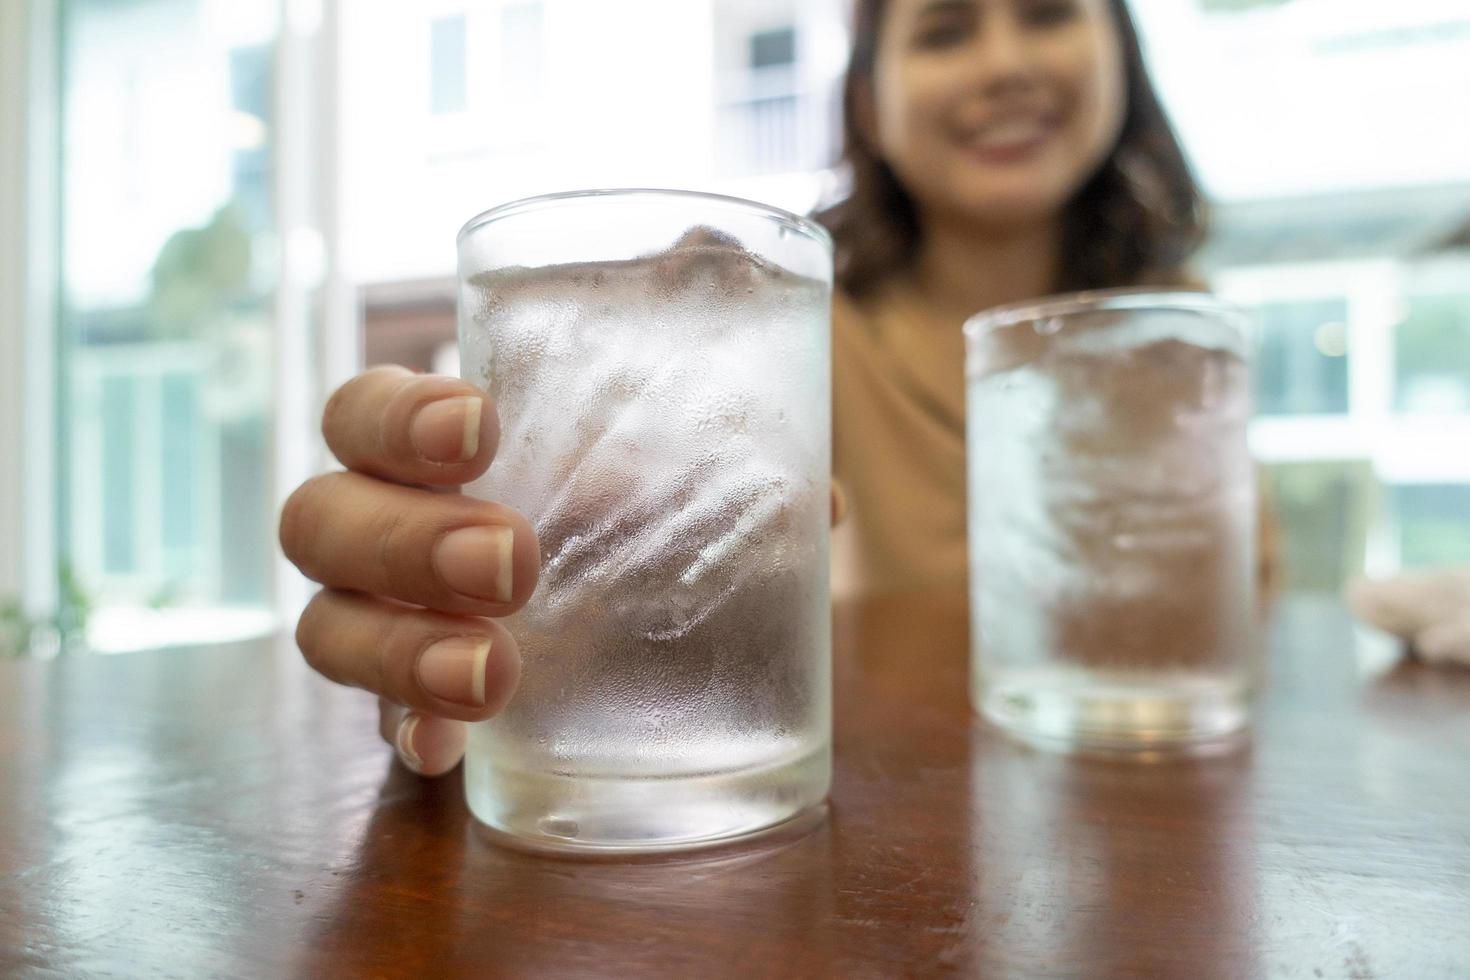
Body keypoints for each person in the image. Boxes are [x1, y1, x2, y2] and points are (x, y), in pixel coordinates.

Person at [279, 0, 1254, 776]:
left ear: (1121, 55)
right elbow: (626, 544)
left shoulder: (1182, 335)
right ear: (869, 103)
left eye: (1047, 12)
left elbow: (1235, 612)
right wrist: (471, 575)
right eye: (946, 28)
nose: (1003, 63)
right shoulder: (771, 320)